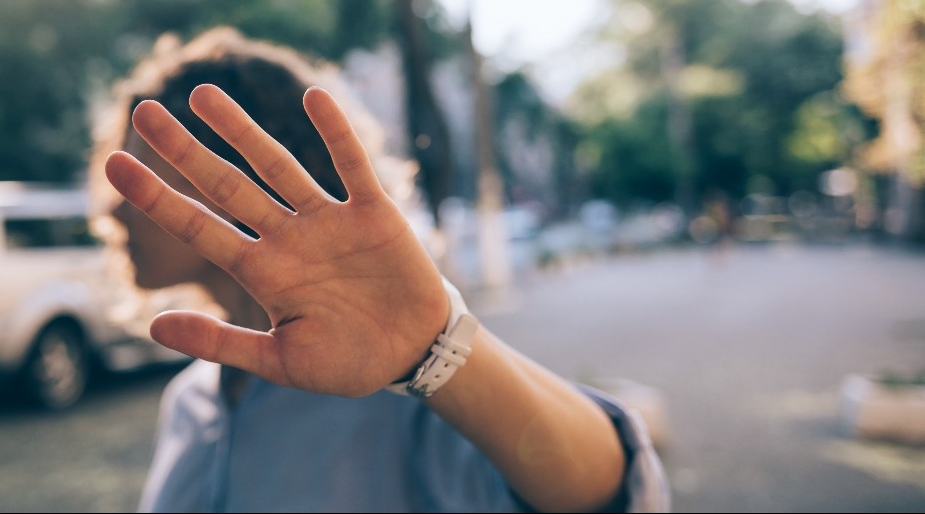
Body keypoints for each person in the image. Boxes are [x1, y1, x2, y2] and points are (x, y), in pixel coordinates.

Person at [94, 28, 669, 513]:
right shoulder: (191, 400)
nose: (113, 207)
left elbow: (612, 492)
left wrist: (433, 350)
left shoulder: (396, 389)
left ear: (240, 176)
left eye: (136, 172)